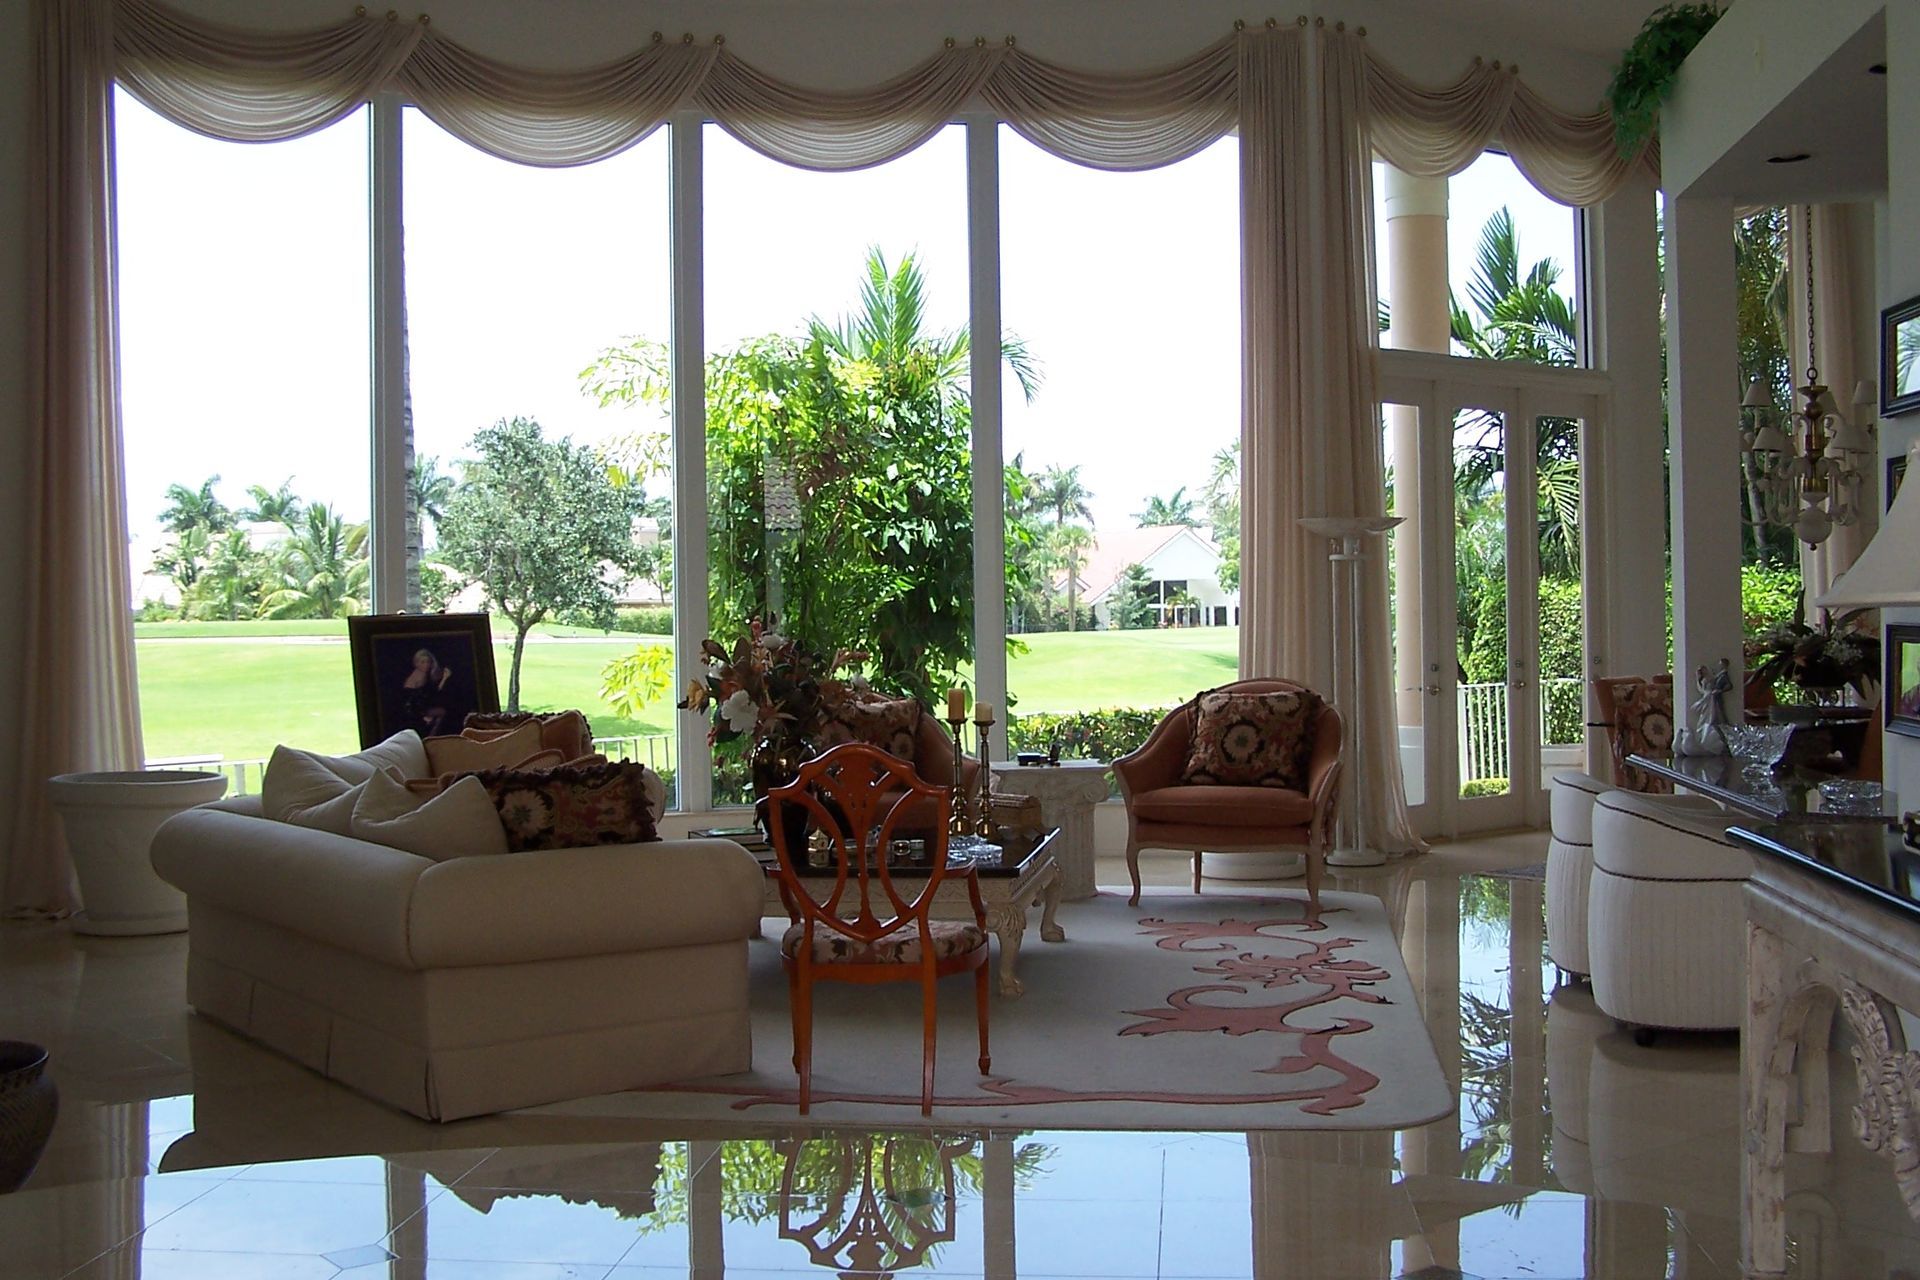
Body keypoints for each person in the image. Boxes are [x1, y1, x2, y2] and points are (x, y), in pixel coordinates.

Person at [399, 647, 457, 737]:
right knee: (442, 712)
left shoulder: (424, 675)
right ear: (416, 663)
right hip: (412, 708)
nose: (426, 665)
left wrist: (444, 678)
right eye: (422, 662)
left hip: (419, 705)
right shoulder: (420, 676)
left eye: (428, 662)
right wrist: (424, 714)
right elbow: (421, 697)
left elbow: (429, 694)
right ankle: (431, 737)